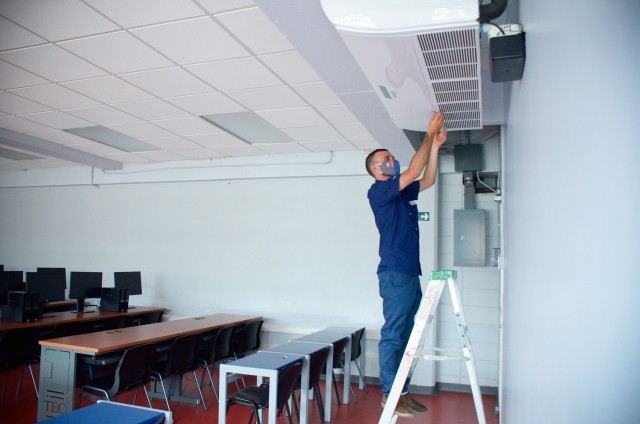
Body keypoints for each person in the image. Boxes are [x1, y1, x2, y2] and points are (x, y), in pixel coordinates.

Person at [366, 111, 447, 418]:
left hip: (409, 272)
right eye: (386, 158)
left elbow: (427, 178)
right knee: (395, 333)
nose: (392, 160)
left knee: (409, 335)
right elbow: (415, 170)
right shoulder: (379, 191)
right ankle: (389, 394)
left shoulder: (399, 193)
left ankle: (402, 390)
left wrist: (436, 146)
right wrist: (427, 135)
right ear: (376, 168)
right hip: (395, 273)